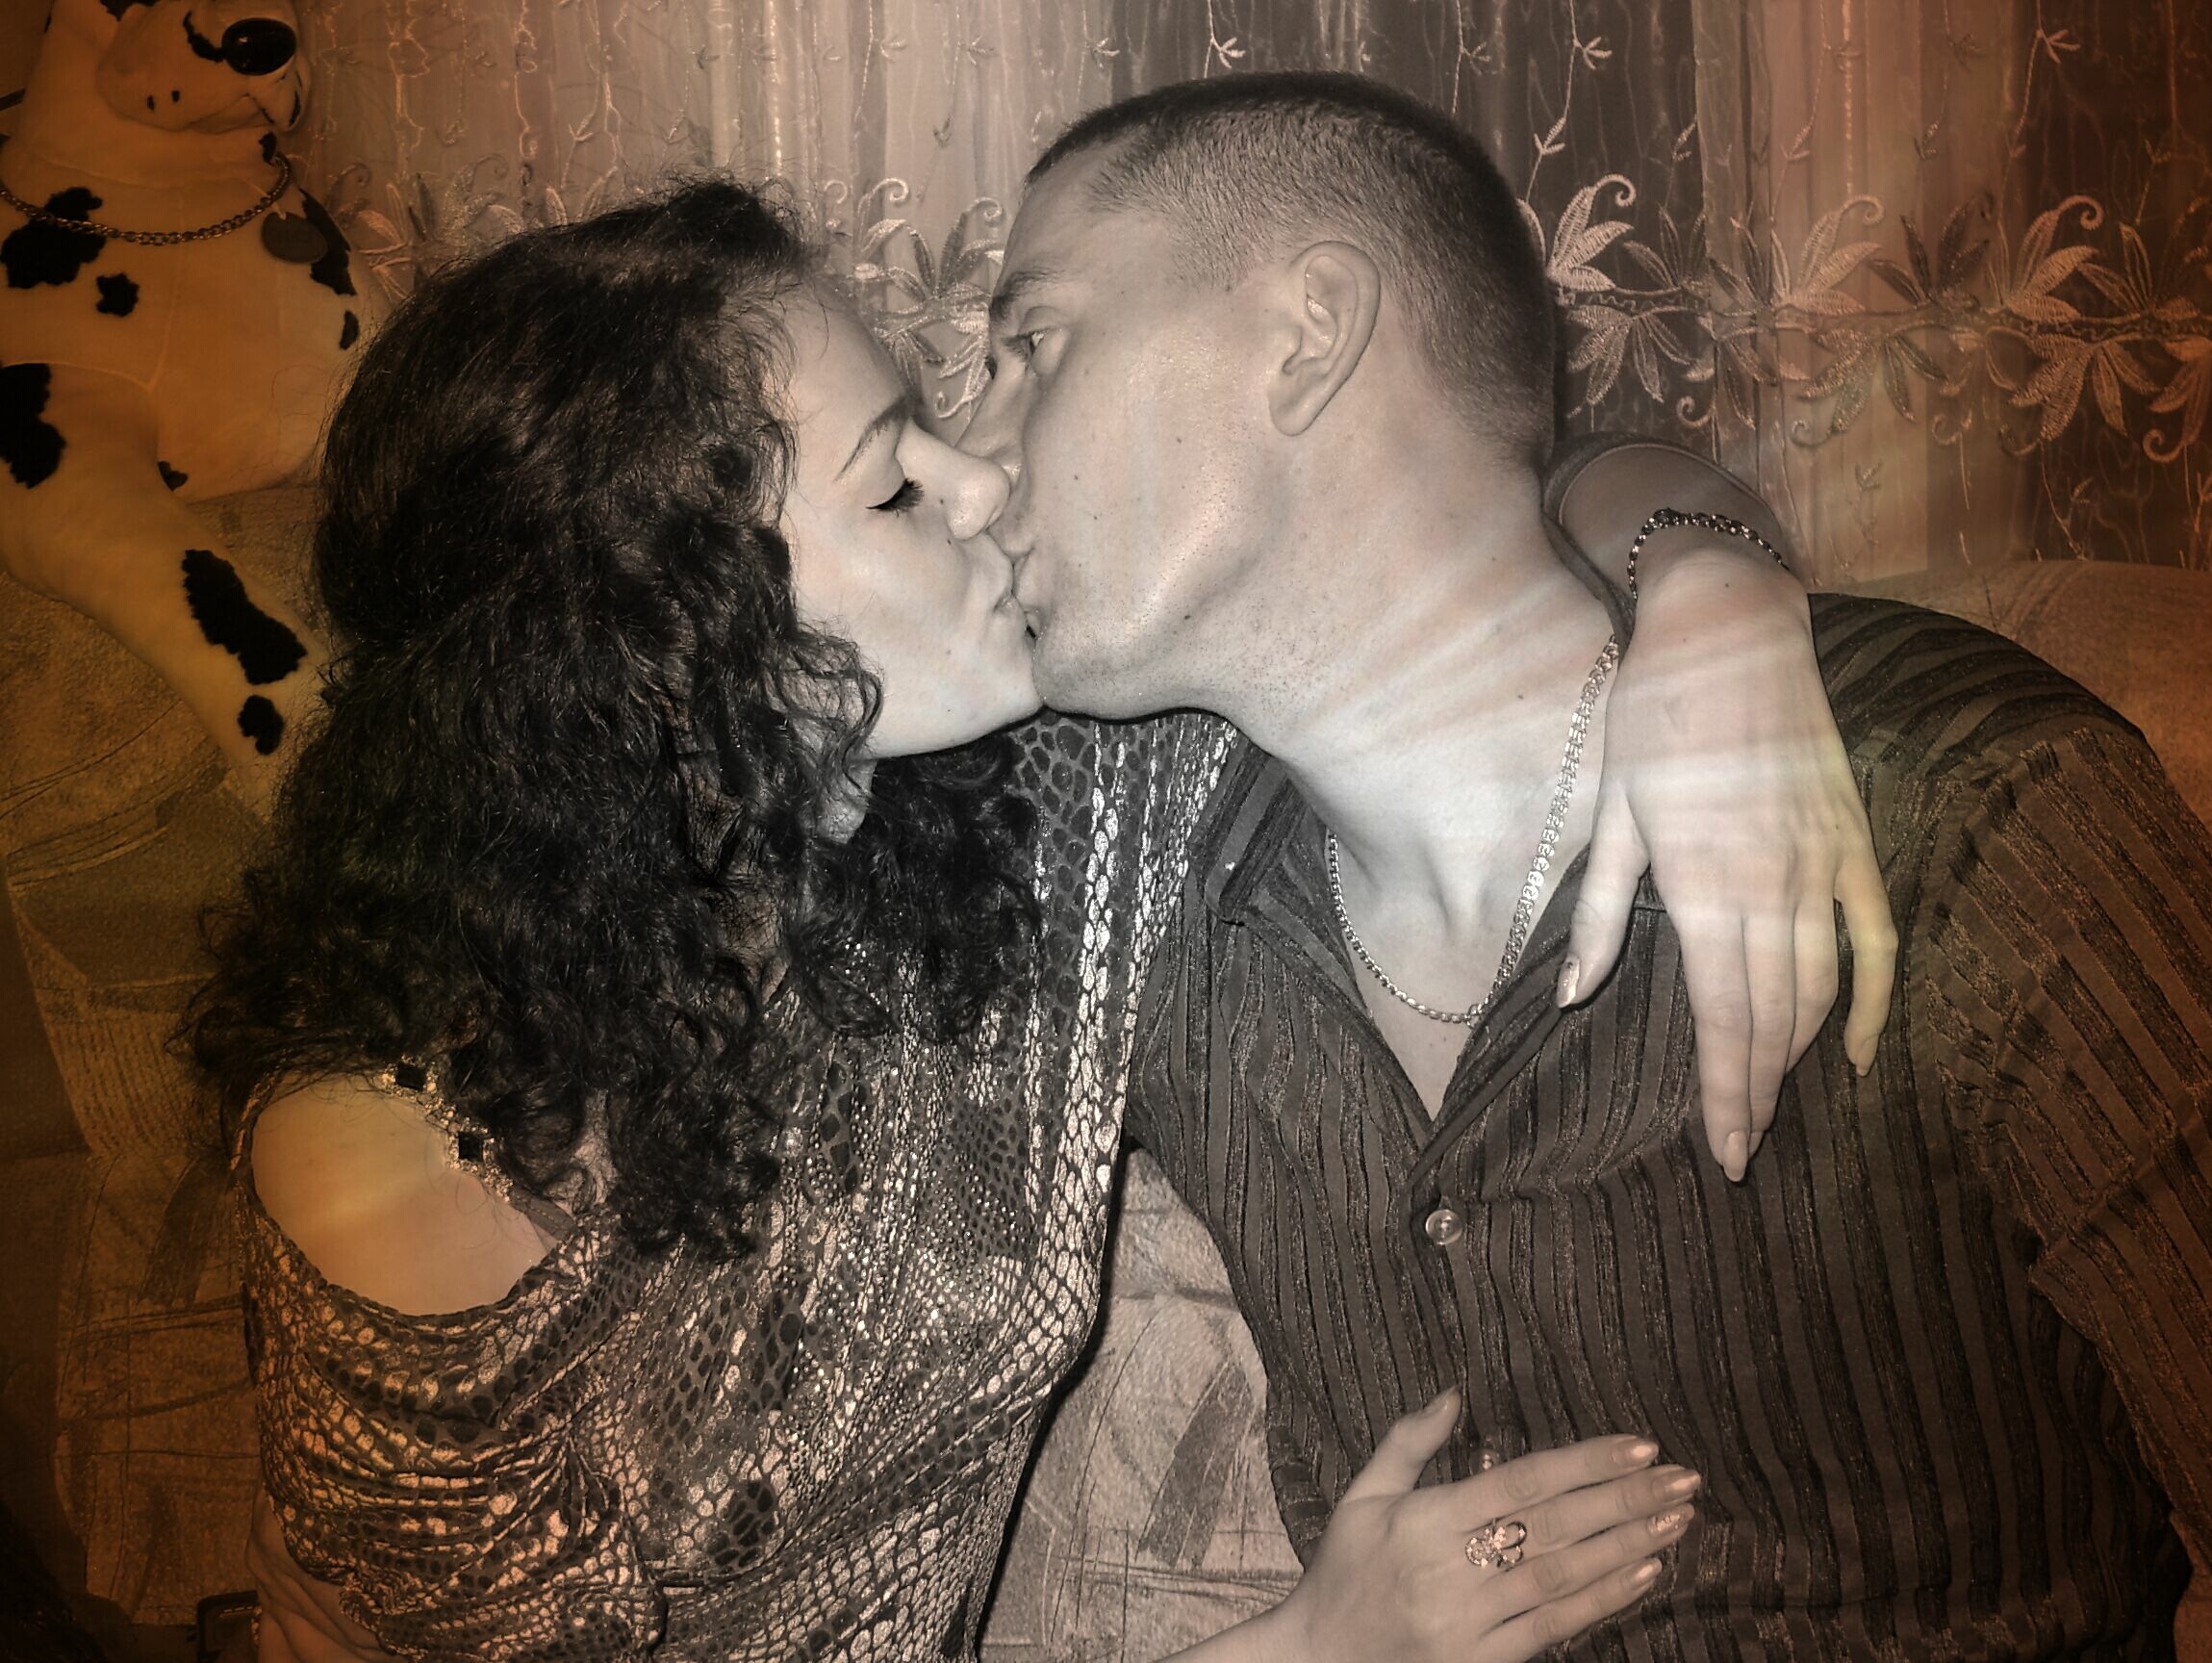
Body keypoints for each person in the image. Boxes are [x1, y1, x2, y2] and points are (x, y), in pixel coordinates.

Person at [191, 179, 1869, 1663]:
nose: (983, 484)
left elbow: (1502, 481)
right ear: (672, 642)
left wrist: (1714, 591)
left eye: (939, 426)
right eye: (893, 489)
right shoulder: (399, 1154)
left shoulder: (1042, 806)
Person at [958, 71, 2212, 1660]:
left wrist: (1707, 566)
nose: (972, 460)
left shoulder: (1962, 807)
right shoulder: (1136, 888)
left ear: (1306, 333)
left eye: (1030, 345)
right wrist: (1701, 556)